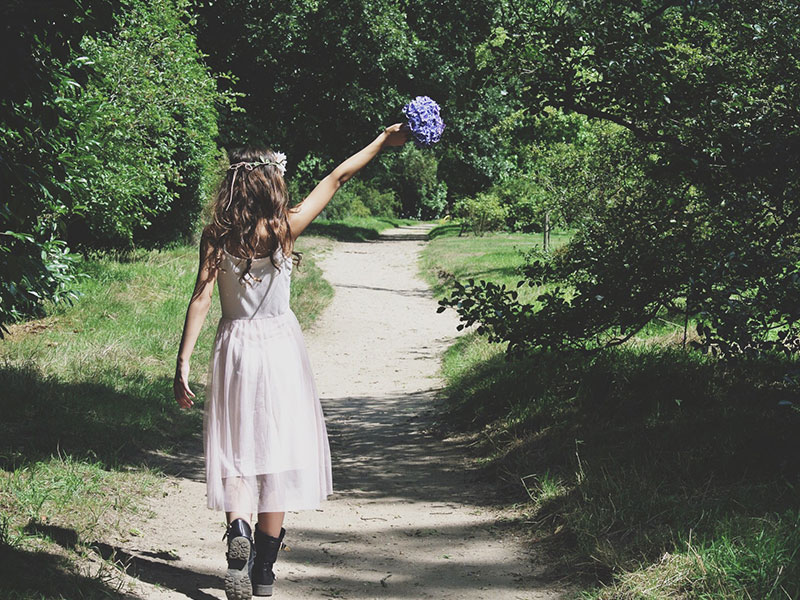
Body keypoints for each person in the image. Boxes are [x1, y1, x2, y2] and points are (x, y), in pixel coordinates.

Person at [173, 123, 409, 600]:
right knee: (275, 456)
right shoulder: (286, 227)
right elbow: (339, 176)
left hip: (234, 347)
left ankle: (237, 531)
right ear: (272, 184)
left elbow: (200, 299)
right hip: (280, 349)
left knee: (237, 453)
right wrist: (383, 140)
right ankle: (262, 572)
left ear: (234, 186)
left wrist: (182, 362)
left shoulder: (215, 235)